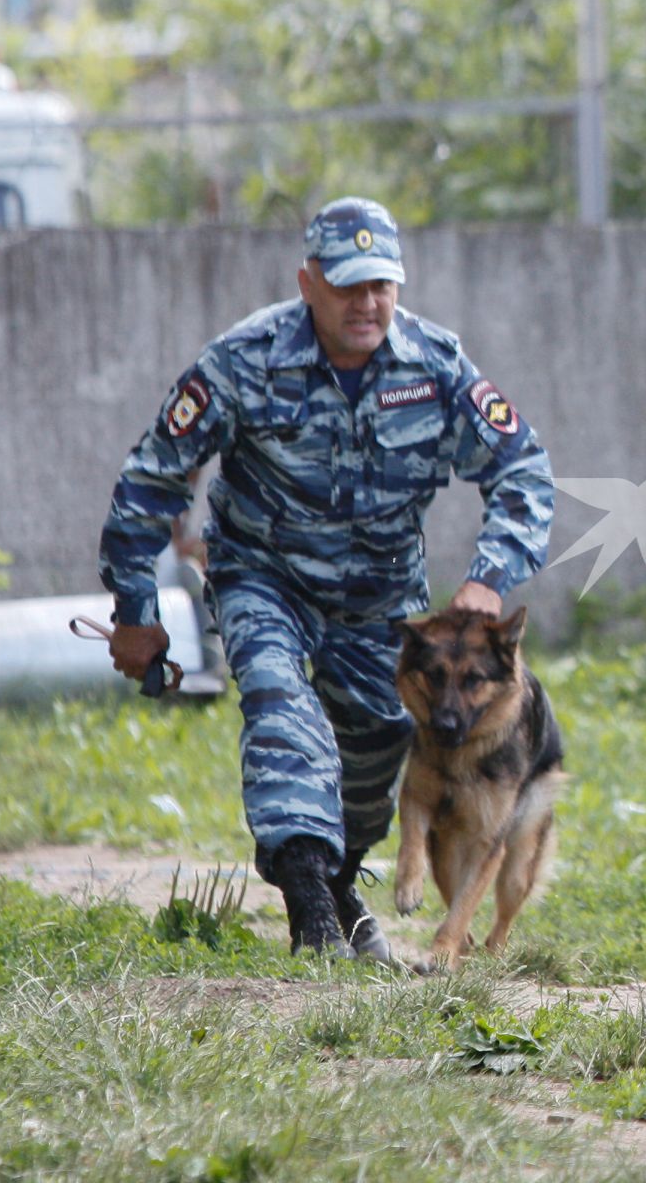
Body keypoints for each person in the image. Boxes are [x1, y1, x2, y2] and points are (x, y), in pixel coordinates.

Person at [98, 197, 554, 962]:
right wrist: (135, 609)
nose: (367, 304)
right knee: (282, 708)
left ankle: (339, 878)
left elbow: (522, 471)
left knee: (379, 740)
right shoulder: (244, 361)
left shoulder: (435, 367)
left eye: (381, 286)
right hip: (263, 577)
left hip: (383, 598)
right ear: (308, 282)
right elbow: (152, 479)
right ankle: (311, 908)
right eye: (348, 287)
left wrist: (489, 577)